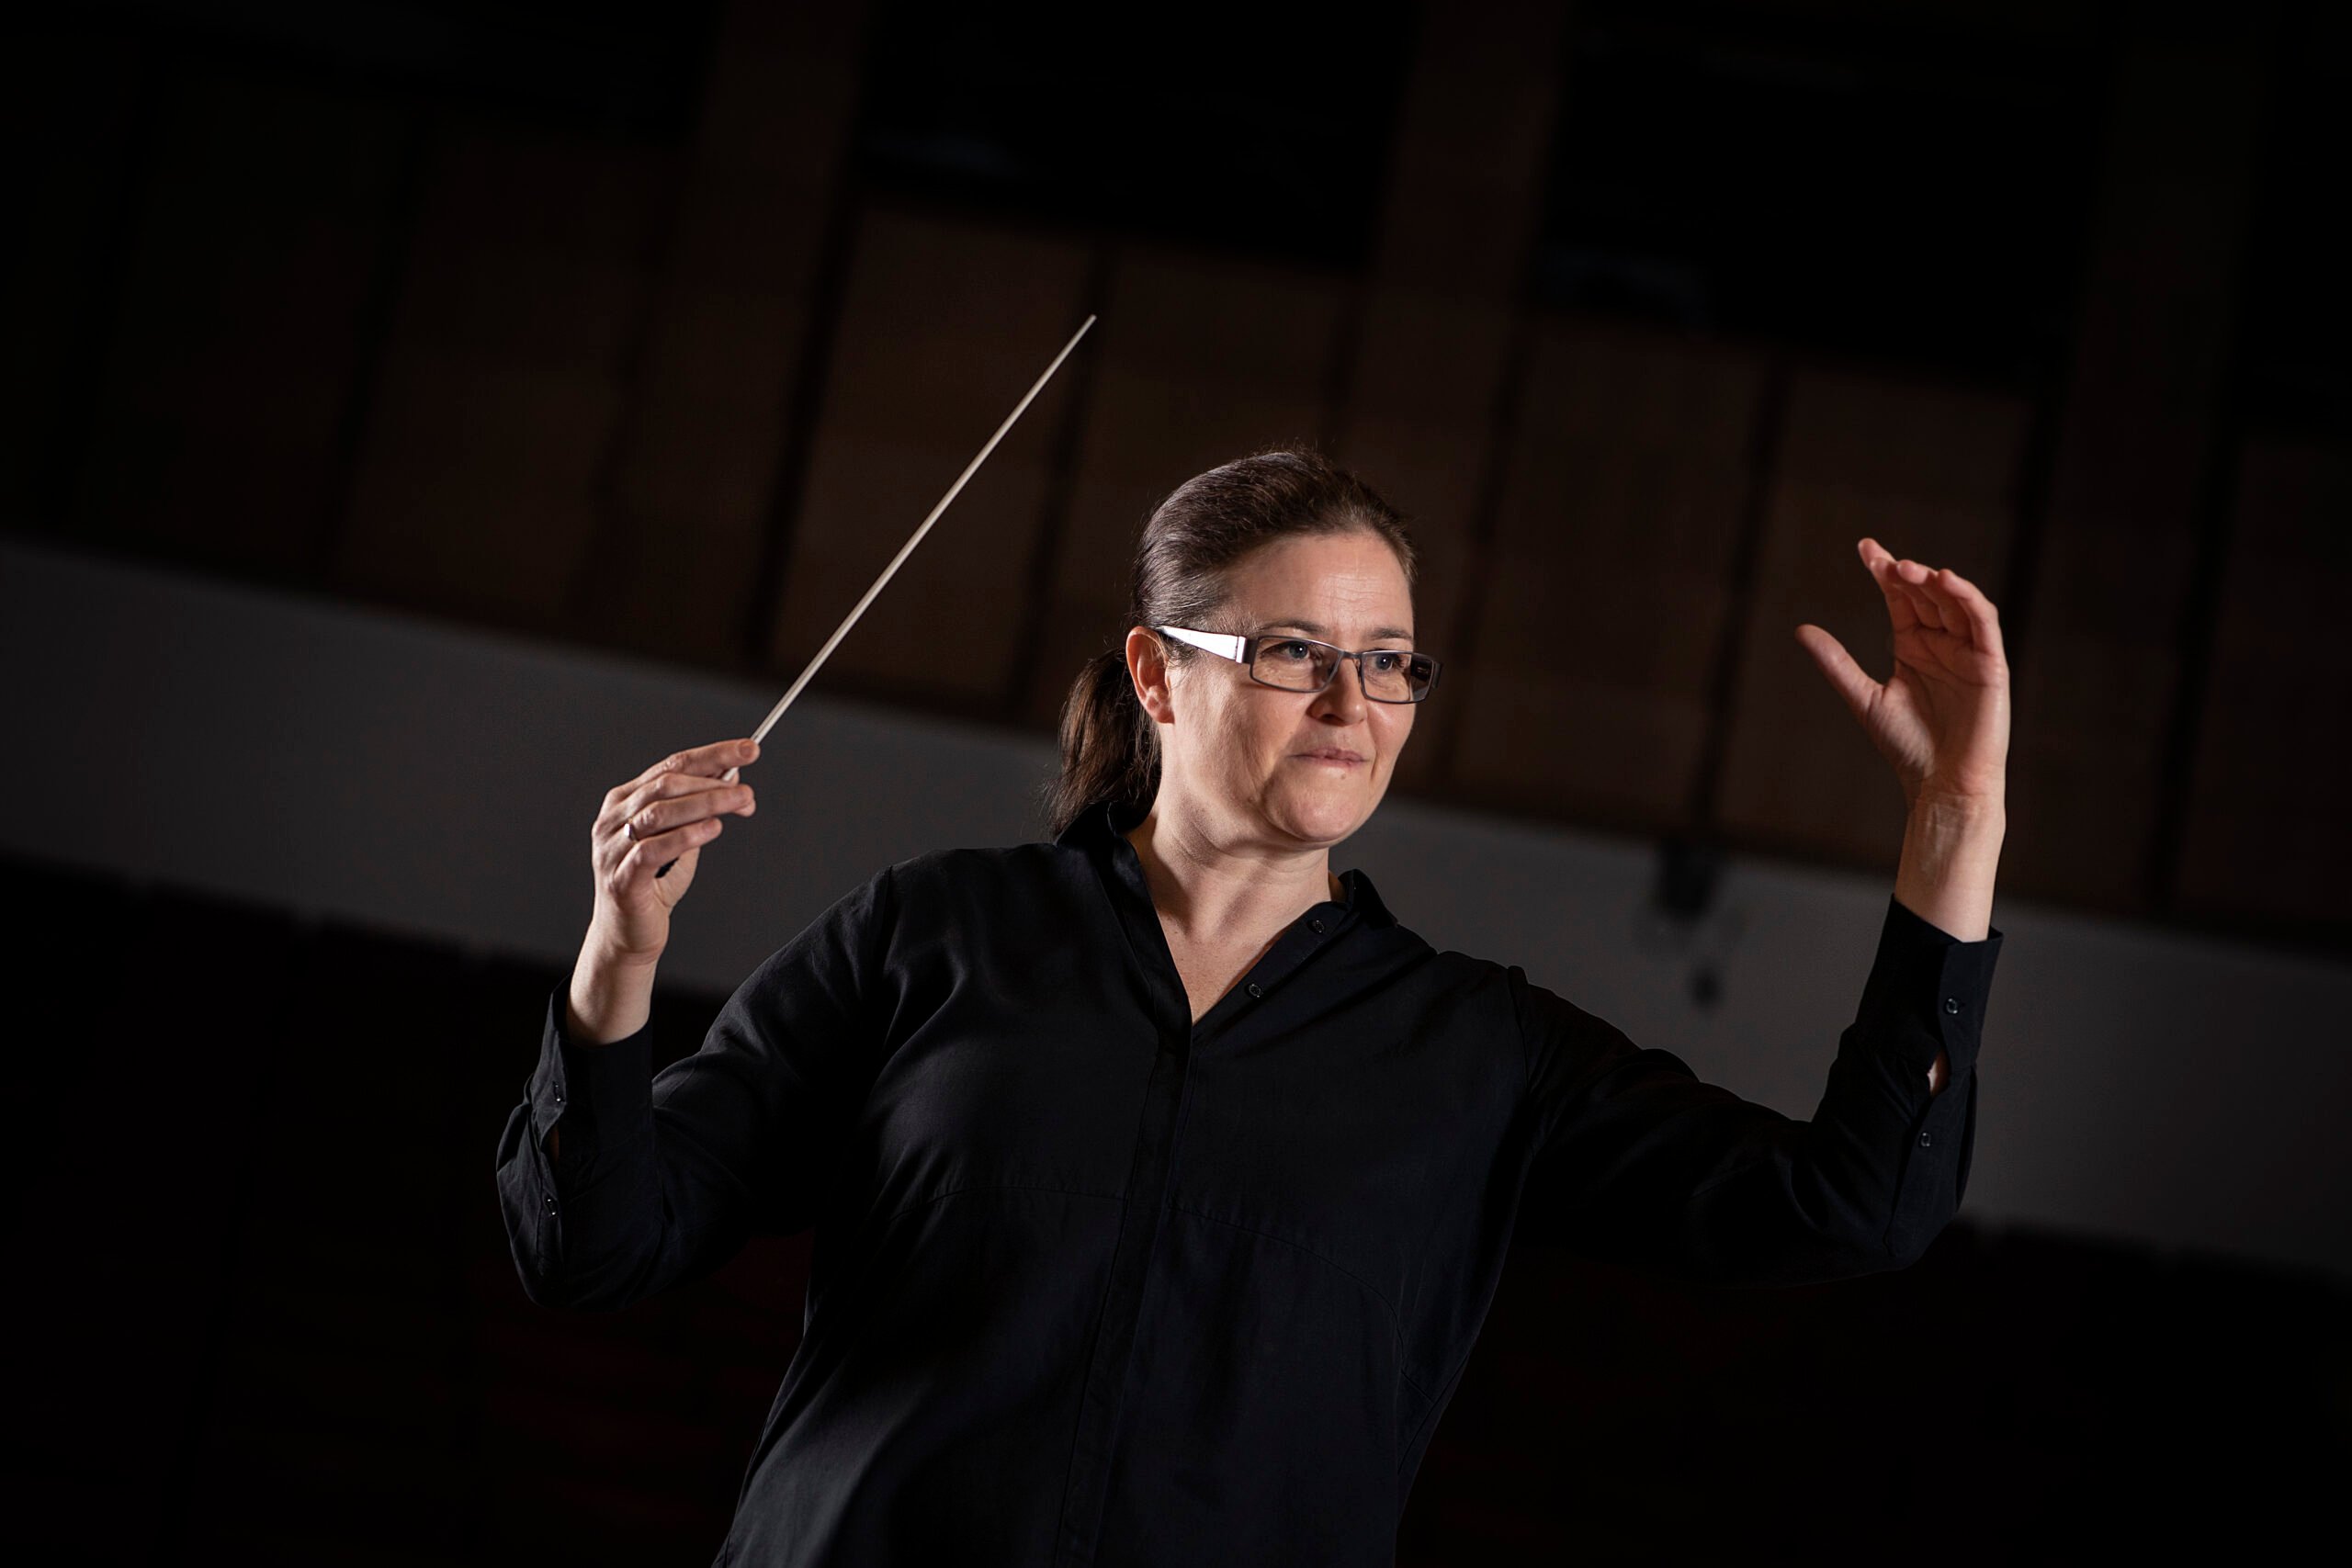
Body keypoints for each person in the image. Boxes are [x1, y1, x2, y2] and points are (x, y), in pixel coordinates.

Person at [494, 447, 2008, 1567]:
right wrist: (619, 958)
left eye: (1390, 664)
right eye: (1295, 654)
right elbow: (589, 1248)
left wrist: (1956, 818)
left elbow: (1853, 1210)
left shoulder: (1480, 1052)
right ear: (1159, 674)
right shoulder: (933, 937)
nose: (1354, 706)